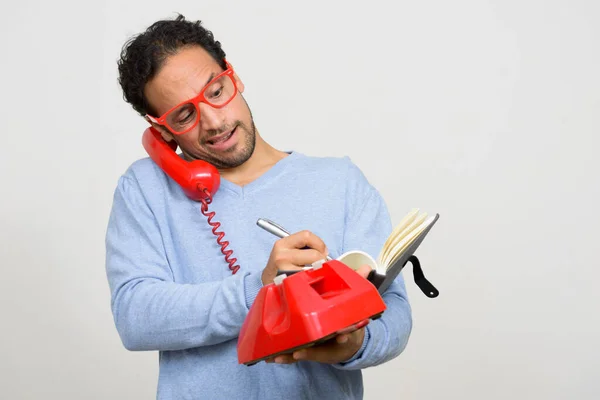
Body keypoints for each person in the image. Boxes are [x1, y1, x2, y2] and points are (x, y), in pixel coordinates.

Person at [105, 14, 412, 400]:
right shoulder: (145, 189)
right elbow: (135, 316)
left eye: (216, 92)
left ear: (233, 77)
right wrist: (260, 289)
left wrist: (354, 345)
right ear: (161, 132)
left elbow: (395, 312)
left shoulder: (340, 181)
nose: (214, 122)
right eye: (184, 115)